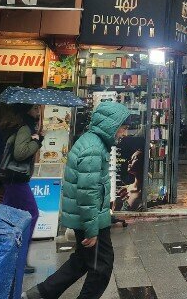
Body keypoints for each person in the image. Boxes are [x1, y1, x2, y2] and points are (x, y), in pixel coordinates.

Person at [25, 101, 131, 299]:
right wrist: (92, 230)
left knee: (82, 260)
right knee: (101, 267)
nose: (124, 133)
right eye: (123, 128)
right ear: (111, 125)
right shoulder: (93, 148)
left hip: (89, 216)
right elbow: (87, 193)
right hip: (92, 219)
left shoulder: (93, 142)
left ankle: (41, 293)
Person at [1, 104, 43, 274]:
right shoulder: (25, 128)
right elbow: (20, 154)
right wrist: (37, 142)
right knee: (32, 214)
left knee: (8, 217)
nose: (38, 112)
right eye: (35, 109)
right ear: (27, 111)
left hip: (11, 179)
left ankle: (7, 256)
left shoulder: (18, 126)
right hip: (16, 179)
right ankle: (20, 258)